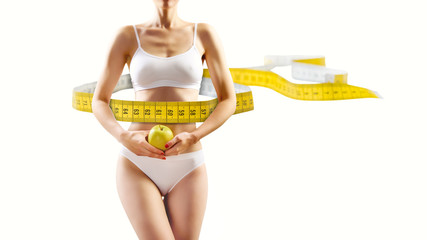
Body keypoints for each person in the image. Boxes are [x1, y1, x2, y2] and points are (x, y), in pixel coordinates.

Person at [91, 0, 236, 238]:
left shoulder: (204, 33)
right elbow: (99, 100)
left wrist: (195, 135)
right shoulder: (127, 35)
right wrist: (123, 136)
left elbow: (228, 100)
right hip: (138, 161)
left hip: (188, 161)